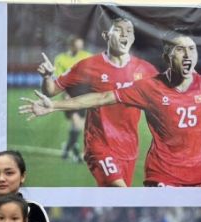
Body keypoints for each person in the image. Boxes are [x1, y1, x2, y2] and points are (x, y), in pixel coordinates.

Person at [22, 30, 201, 187]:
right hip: (163, 176)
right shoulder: (149, 87)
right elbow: (103, 97)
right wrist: (55, 105)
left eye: (192, 49)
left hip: (198, 178)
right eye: (180, 50)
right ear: (167, 56)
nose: (188, 55)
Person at [36, 17, 157, 186]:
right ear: (106, 35)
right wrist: (48, 77)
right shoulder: (88, 65)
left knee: (116, 200)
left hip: (129, 147)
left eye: (129, 31)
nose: (125, 35)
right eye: (119, 30)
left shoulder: (146, 70)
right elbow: (50, 90)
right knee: (121, 192)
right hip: (99, 144)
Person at [51, 35, 92, 163]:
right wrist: (65, 92)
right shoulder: (60, 59)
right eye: (77, 46)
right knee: (75, 122)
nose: (79, 49)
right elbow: (58, 78)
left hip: (85, 94)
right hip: (69, 94)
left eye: (81, 46)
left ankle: (66, 148)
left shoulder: (87, 56)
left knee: (79, 125)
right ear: (71, 46)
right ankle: (75, 153)